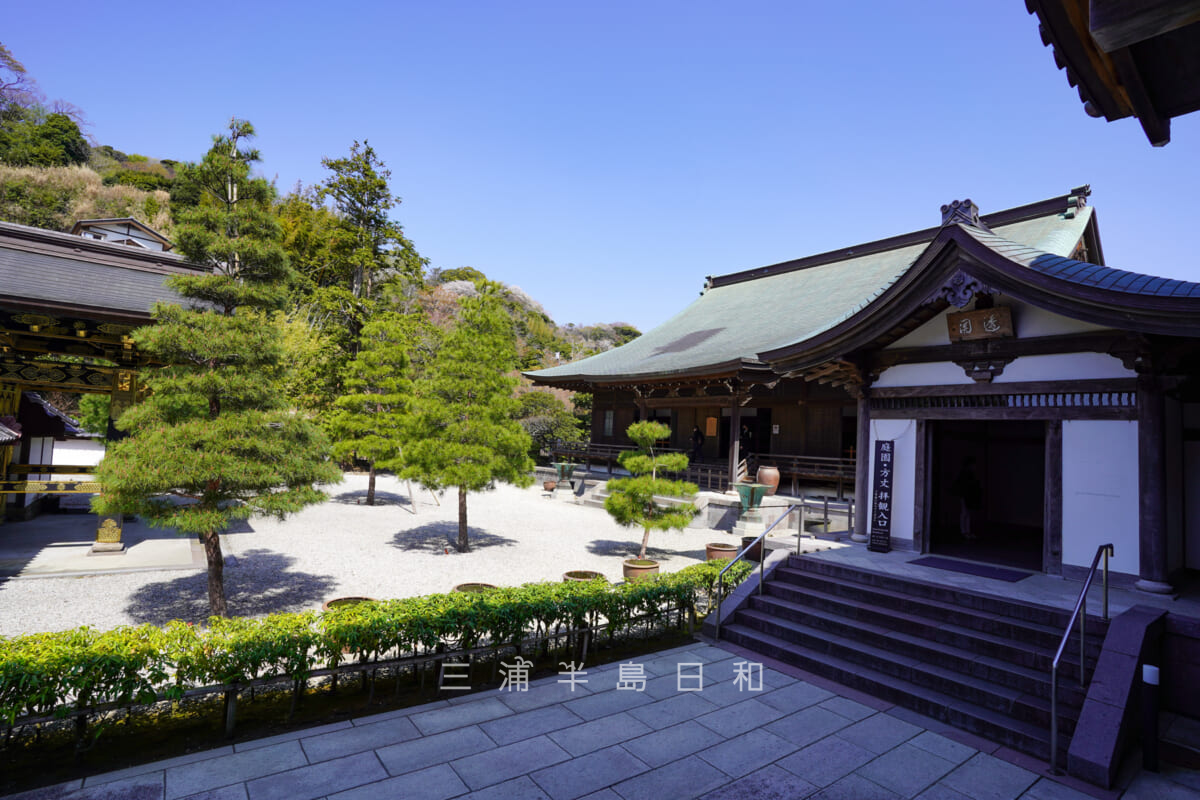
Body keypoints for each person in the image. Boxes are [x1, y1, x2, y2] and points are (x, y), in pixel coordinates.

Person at [950, 457, 982, 540]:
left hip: (968, 495)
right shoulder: (964, 474)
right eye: (973, 465)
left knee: (967, 513)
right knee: (965, 513)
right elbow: (962, 485)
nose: (974, 466)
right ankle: (964, 531)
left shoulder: (970, 473)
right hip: (965, 495)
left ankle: (967, 531)